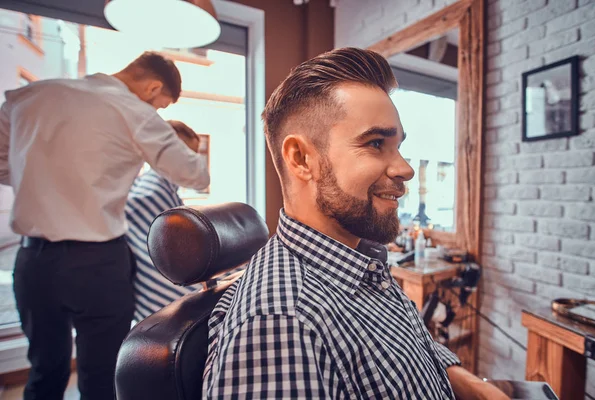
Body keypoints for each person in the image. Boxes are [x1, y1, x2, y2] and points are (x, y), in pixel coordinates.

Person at [202, 48, 508, 399]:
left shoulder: (358, 260)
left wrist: (472, 386)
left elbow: (402, 352)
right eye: (376, 143)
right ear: (302, 159)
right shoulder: (282, 324)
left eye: (397, 146)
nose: (406, 169)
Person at [0, 52, 209, 400]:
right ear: (152, 87)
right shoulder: (135, 113)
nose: (157, 112)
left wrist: (40, 178)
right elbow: (195, 175)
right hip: (98, 265)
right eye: (160, 105)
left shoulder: (29, 96)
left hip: (35, 262)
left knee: (43, 372)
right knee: (101, 378)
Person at [125, 120, 205, 321]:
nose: (193, 161)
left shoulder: (165, 188)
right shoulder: (151, 192)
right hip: (163, 290)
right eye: (189, 154)